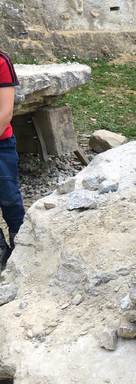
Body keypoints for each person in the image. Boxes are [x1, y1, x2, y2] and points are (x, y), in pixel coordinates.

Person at [0, 50, 25, 268]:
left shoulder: (1, 61)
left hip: (1, 143)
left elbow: (5, 112)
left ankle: (22, 244)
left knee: (8, 195)